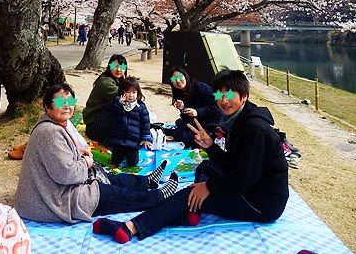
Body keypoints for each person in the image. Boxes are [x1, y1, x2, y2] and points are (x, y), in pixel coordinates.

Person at [94, 69, 289, 244]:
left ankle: (129, 228)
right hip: (252, 187)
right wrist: (211, 146)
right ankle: (192, 210)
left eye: (229, 94)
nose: (223, 100)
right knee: (205, 167)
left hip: (262, 202)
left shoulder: (254, 128)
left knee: (189, 193)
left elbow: (243, 178)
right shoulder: (238, 120)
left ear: (244, 96)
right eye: (219, 94)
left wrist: (208, 188)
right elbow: (234, 163)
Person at [14, 83, 179, 224]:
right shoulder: (49, 132)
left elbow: (56, 156)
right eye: (60, 102)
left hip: (51, 194)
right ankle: (157, 197)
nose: (66, 106)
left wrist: (75, 151)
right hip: (51, 202)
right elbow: (66, 175)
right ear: (47, 107)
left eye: (70, 101)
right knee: (107, 192)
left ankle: (146, 181)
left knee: (109, 178)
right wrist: (86, 163)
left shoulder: (52, 124)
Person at [163, 66, 222, 147]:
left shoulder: (200, 87)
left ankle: (164, 131)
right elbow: (187, 117)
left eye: (179, 77)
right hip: (197, 122)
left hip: (212, 121)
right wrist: (183, 109)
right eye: (174, 79)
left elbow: (217, 108)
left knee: (186, 136)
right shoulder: (179, 93)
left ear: (185, 76)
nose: (177, 81)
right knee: (180, 123)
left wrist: (197, 112)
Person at [107, 77, 152, 167]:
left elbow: (145, 124)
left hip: (133, 141)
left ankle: (129, 156)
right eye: (127, 92)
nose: (131, 95)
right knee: (115, 161)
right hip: (118, 140)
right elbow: (110, 112)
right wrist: (118, 103)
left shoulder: (141, 107)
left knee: (133, 163)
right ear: (122, 92)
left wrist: (145, 138)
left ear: (138, 93)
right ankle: (120, 156)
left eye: (134, 92)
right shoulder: (118, 103)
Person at [82, 54, 128, 143]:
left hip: (96, 124)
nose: (118, 70)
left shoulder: (115, 79)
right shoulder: (106, 83)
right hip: (95, 128)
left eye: (122, 66)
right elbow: (126, 98)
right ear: (109, 66)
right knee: (119, 105)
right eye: (115, 66)